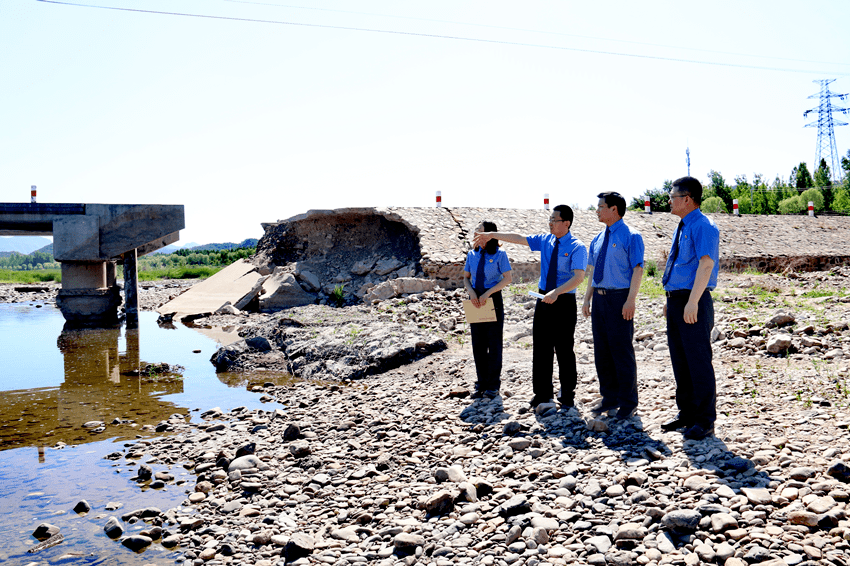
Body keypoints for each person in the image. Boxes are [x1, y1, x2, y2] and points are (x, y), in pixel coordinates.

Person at [474, 205, 587, 409]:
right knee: (541, 347)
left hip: (563, 301)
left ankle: (567, 394)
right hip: (543, 299)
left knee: (564, 349)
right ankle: (542, 394)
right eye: (550, 219)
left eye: (554, 220)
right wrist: (491, 234)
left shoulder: (577, 247)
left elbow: (579, 277)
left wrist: (557, 292)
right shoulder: (545, 240)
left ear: (566, 223)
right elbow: (519, 238)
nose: (550, 223)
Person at [660, 176, 720, 441]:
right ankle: (687, 414)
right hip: (677, 300)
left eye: (672, 196)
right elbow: (679, 266)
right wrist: (670, 300)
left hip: (693, 300)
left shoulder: (703, 225)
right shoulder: (682, 226)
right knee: (680, 360)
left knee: (698, 362)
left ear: (687, 198)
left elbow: (706, 265)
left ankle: (705, 421)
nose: (669, 200)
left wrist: (692, 301)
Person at [581, 191, 645, 420]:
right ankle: (609, 397)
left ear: (614, 209)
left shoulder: (631, 236)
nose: (596, 210)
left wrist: (631, 300)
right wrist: (587, 298)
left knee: (621, 350)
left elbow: (638, 269)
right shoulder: (597, 239)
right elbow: (592, 272)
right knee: (602, 350)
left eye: (600, 206)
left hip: (620, 298)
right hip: (599, 299)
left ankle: (628, 401)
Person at [463, 221, 513, 399]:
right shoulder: (472, 254)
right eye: (475, 231)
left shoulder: (500, 255)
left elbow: (507, 279)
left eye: (479, 231)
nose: (475, 234)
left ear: (489, 235)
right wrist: (471, 292)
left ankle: (493, 385)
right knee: (478, 344)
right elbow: (466, 278)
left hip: (493, 299)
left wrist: (489, 294)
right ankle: (481, 383)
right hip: (475, 300)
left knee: (493, 344)